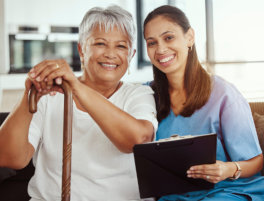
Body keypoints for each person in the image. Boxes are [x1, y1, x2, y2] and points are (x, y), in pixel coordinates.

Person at [0, 5, 158, 201]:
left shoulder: (138, 94)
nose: (110, 53)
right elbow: (8, 157)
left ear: (131, 55)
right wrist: (29, 95)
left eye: (121, 46)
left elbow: (137, 141)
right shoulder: (50, 96)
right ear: (81, 49)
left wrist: (75, 87)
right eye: (100, 43)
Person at [143, 5, 264, 200]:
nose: (161, 49)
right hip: (176, 196)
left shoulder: (223, 93)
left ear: (189, 37)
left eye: (168, 38)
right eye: (151, 43)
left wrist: (228, 169)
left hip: (228, 191)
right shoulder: (146, 96)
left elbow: (257, 161)